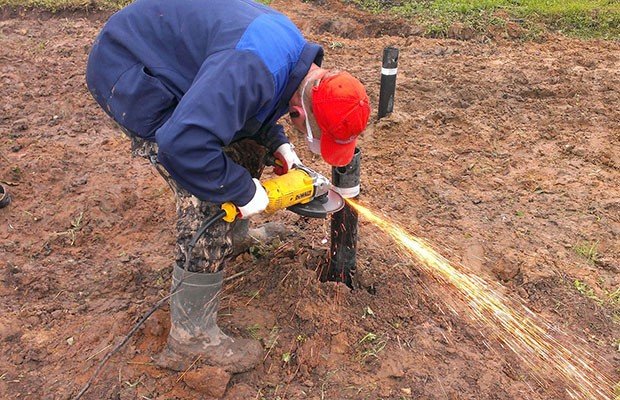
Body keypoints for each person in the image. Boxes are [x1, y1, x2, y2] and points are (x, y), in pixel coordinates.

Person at [85, 0, 370, 374]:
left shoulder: (291, 56)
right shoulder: (250, 66)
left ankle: (233, 240)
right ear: (302, 111)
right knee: (206, 188)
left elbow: (249, 96)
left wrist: (277, 142)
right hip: (128, 66)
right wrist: (247, 192)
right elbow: (182, 145)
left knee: (244, 148)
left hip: (173, 56)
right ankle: (191, 338)